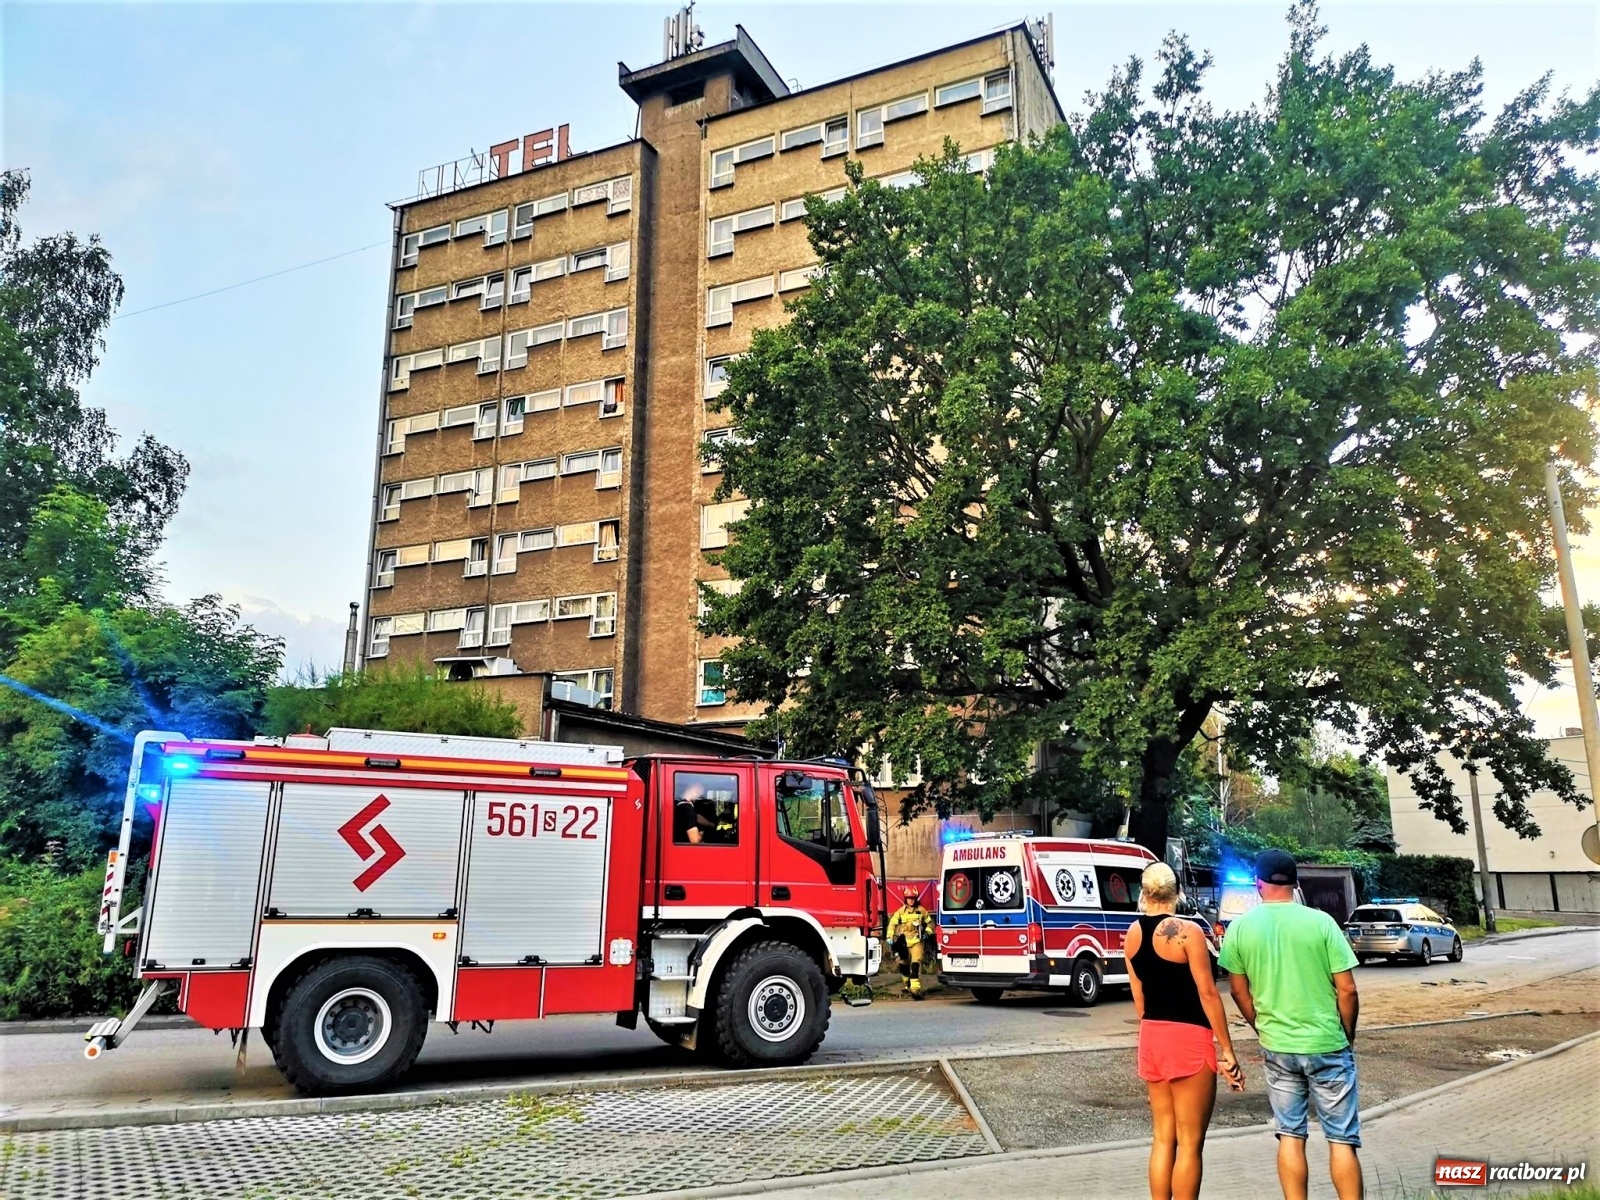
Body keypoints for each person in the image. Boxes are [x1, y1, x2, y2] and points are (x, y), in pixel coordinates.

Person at [1219, 849, 1363, 1200]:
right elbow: (1347, 989)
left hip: (1278, 1046)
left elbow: (1238, 990)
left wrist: (1261, 1026)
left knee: (1290, 1134)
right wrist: (1347, 1034)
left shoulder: (1240, 929)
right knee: (1341, 1138)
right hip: (1327, 1042)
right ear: (1296, 883)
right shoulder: (1322, 922)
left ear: (1259, 884)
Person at [1125, 862, 1245, 1200]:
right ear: (1177, 892)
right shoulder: (1189, 932)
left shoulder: (1132, 934)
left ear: (1144, 893)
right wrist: (1227, 1050)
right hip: (1189, 1038)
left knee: (1163, 1137)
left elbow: (1140, 1000)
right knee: (1190, 1143)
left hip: (1152, 1036)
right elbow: (1208, 994)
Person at [886, 887, 932, 999]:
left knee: (915, 965)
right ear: (905, 899)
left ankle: (915, 990)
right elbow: (892, 923)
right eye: (908, 899)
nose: (911, 901)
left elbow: (930, 924)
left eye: (913, 898)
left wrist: (926, 933)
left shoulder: (921, 910)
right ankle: (907, 985)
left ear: (916, 899)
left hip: (917, 942)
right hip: (904, 943)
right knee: (903, 966)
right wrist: (889, 936)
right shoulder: (901, 911)